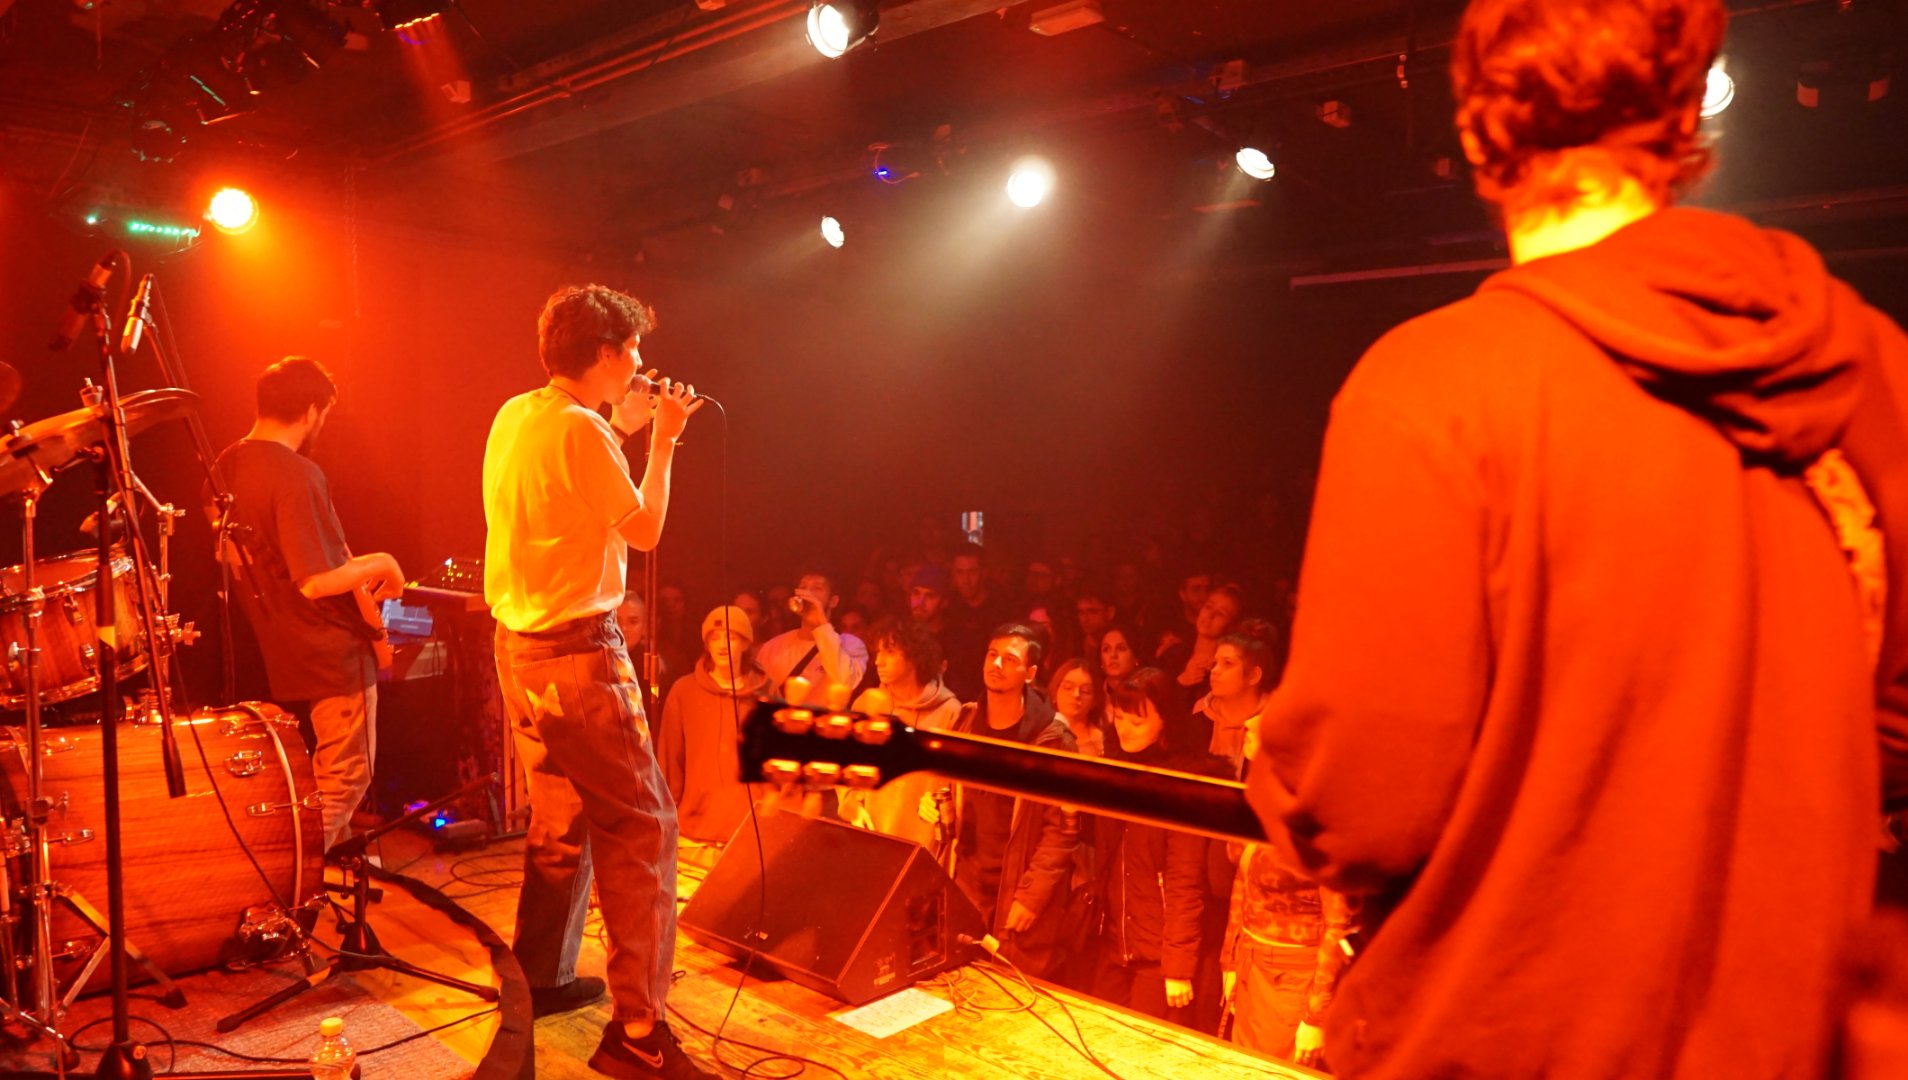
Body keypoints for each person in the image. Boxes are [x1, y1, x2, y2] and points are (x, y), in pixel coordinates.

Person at [1244, 1, 1908, 1076]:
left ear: (1477, 137)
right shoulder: (1869, 368)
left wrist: (1272, 769)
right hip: (1783, 1037)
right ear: (1686, 115)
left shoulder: (1434, 385)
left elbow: (1359, 807)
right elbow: (1895, 722)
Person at [483, 283, 711, 1078]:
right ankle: (639, 1034)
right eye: (635, 349)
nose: (643, 363)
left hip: (519, 650)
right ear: (609, 352)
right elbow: (643, 529)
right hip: (579, 654)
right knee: (644, 828)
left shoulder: (520, 413)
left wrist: (623, 429)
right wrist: (664, 442)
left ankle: (540, 978)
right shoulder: (585, 429)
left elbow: (568, 488)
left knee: (560, 815)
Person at [215, 357, 403, 853]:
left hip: (281, 646)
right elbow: (317, 581)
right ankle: (290, 877)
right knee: (344, 780)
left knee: (316, 781)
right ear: (312, 411)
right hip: (330, 651)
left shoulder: (223, 467)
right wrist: (384, 562)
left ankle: (312, 879)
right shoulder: (297, 475)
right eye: (324, 414)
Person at [926, 623, 1079, 976]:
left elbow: (1062, 831)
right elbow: (951, 792)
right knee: (958, 982)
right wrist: (936, 806)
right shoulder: (966, 721)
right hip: (966, 884)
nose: (996, 664)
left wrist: (1031, 896)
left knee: (1009, 989)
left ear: (1030, 673)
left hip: (1016, 890)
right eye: (992, 655)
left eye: (1009, 659)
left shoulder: (1052, 738)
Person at [1223, 711, 1356, 1068]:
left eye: (1263, 725)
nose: (1248, 726)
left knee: (1269, 1071)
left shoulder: (1316, 815)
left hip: (1291, 977)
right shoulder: (1261, 800)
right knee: (1238, 1067)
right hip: (1251, 959)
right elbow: (1243, 880)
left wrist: (1315, 1017)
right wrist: (1230, 959)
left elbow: (1337, 924)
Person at [1089, 668, 1214, 1027]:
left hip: (1158, 957)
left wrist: (1177, 967)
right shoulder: (1115, 773)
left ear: (1164, 722)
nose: (1124, 729)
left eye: (1137, 721)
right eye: (1119, 717)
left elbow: (1185, 880)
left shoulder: (1180, 783)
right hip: (1114, 944)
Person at [843, 617, 960, 849]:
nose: (878, 661)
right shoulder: (867, 703)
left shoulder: (950, 712)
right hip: (870, 838)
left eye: (889, 652)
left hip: (921, 847)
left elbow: (954, 790)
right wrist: (850, 803)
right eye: (877, 652)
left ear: (915, 656)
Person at [657, 605, 770, 844]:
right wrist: (666, 823)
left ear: (746, 643)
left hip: (752, 833)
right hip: (694, 832)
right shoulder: (684, 691)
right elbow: (670, 764)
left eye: (731, 637)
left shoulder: (766, 695)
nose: (722, 645)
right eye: (714, 638)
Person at [755, 569, 869, 697]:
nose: (807, 593)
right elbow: (757, 694)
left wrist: (821, 624)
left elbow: (846, 681)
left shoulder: (851, 645)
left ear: (833, 601)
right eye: (803, 587)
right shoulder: (772, 647)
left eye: (817, 588)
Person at [1047, 658, 1103, 759]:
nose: (1076, 694)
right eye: (1068, 687)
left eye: (1085, 691)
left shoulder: (1102, 744)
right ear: (1055, 692)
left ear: (1095, 700)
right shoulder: (1038, 732)